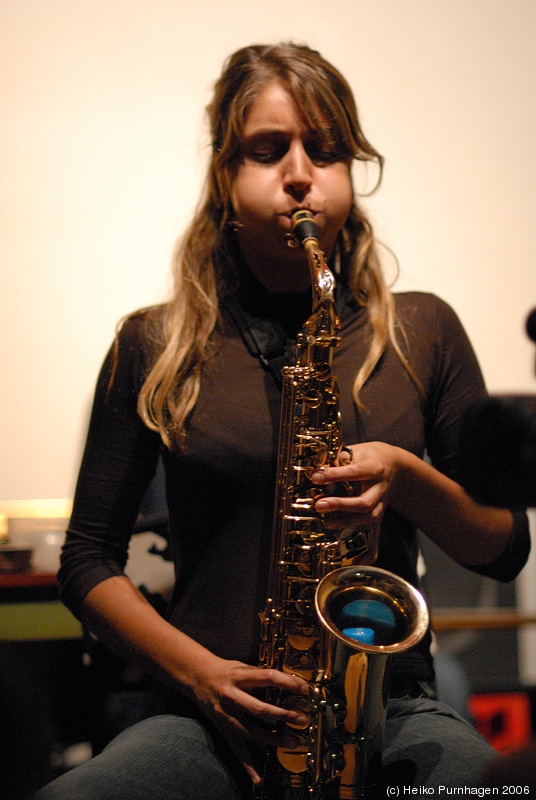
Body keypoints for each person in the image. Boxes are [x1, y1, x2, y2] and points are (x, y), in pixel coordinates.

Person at [34, 42, 530, 799]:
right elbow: (86, 562)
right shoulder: (152, 343)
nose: (301, 173)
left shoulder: (423, 329)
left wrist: (407, 479)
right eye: (269, 150)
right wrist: (204, 678)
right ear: (225, 181)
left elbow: (504, 549)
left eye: (325, 151)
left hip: (390, 706)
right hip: (207, 714)